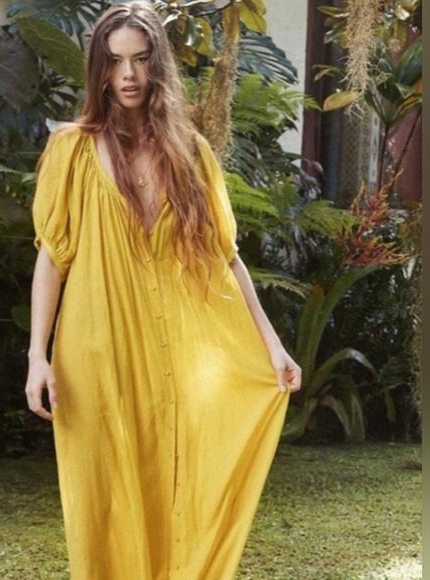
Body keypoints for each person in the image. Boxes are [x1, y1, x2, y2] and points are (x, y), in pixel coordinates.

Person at [25, 2, 301, 578]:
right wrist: (37, 356)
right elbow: (52, 256)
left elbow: (225, 256)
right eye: (115, 61)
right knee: (104, 495)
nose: (128, 74)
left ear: (159, 64)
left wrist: (272, 345)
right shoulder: (72, 151)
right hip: (95, 351)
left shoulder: (191, 153)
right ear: (99, 69)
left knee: (180, 480)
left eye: (141, 59)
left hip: (175, 347)